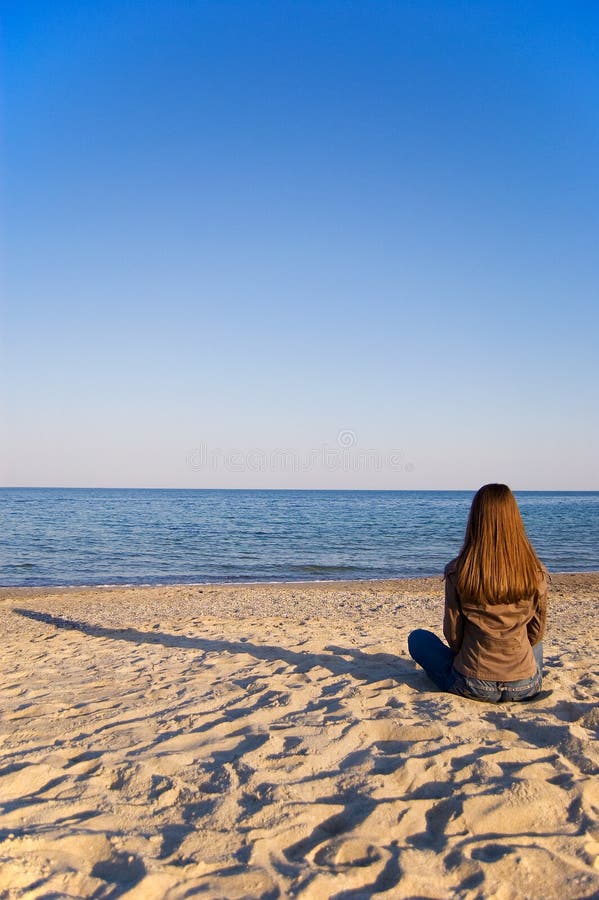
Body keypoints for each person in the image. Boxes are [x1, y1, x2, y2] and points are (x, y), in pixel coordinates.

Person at [408, 483, 548, 703]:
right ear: (515, 520)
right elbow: (537, 633)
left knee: (417, 639)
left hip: (473, 683)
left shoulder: (459, 571)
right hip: (525, 685)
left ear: (476, 520)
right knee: (534, 642)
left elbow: (454, 637)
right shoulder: (535, 571)